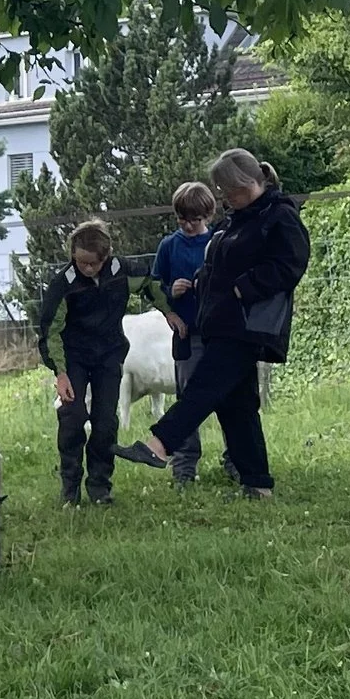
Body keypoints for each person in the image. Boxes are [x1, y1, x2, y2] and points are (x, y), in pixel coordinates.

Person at [131, 149, 310, 496]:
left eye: (227, 190)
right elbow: (224, 260)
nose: (224, 198)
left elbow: (290, 264)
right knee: (237, 405)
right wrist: (204, 278)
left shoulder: (279, 216)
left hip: (247, 325)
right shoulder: (238, 218)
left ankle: (160, 444)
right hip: (222, 321)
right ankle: (256, 483)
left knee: (203, 388)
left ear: (246, 183)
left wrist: (243, 289)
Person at [35, 216, 136, 506]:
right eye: (81, 263)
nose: (88, 268)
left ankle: (100, 487)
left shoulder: (122, 272)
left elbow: (155, 287)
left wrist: (171, 311)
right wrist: (61, 373)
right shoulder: (63, 284)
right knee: (73, 417)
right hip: (73, 358)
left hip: (108, 355)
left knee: (105, 423)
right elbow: (49, 330)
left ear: (106, 257)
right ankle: (70, 487)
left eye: (94, 263)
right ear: (73, 257)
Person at [131, 180, 216, 484]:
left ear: (207, 216)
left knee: (231, 399)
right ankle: (184, 468)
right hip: (186, 336)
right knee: (188, 400)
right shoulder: (169, 246)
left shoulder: (217, 241)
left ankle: (236, 461)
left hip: (219, 333)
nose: (189, 226)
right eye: (182, 219)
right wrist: (170, 299)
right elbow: (153, 288)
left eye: (195, 220)